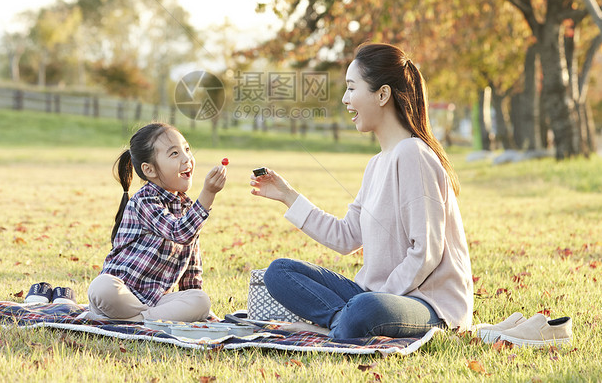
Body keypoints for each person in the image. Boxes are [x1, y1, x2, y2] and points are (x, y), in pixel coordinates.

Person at [250, 42, 473, 339]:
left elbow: (426, 252)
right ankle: (341, 321)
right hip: (372, 296)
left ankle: (342, 320)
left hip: (429, 304)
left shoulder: (413, 155)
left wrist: (379, 295)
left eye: (352, 88)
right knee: (278, 273)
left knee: (364, 308)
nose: (345, 98)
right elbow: (346, 238)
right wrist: (287, 195)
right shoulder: (376, 165)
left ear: (382, 95)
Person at [83, 122, 227, 322]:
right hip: (120, 294)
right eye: (174, 154)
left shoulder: (188, 208)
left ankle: (135, 320)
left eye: (186, 149)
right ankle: (144, 319)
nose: (187, 158)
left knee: (200, 300)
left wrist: (198, 310)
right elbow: (180, 232)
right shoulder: (145, 200)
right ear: (149, 170)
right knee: (102, 287)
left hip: (155, 301)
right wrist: (208, 193)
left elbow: (191, 270)